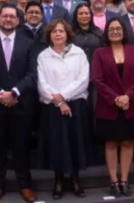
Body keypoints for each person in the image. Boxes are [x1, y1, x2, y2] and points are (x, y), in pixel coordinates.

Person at [0, 5, 38, 203]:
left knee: (22, 148)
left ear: (18, 21)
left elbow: (32, 74)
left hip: (21, 104)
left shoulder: (29, 43)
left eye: (12, 16)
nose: (8, 19)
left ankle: (25, 185)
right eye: (5, 16)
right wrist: (0, 95)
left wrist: (14, 93)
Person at [37, 19, 92, 199]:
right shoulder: (43, 56)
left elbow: (83, 80)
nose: (58, 34)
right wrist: (60, 102)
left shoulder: (79, 53)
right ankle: (58, 181)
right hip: (53, 107)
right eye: (54, 31)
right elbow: (41, 83)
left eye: (61, 31)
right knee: (57, 144)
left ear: (67, 34)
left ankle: (75, 180)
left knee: (75, 143)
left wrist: (64, 96)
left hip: (76, 105)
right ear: (49, 35)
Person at [92, 18, 134, 197]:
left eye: (118, 29)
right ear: (106, 33)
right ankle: (113, 181)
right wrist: (115, 99)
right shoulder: (99, 52)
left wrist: (128, 96)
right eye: (111, 29)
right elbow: (97, 79)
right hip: (109, 106)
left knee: (128, 142)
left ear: (124, 31)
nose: (115, 32)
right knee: (111, 143)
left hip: (131, 105)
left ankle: (125, 180)